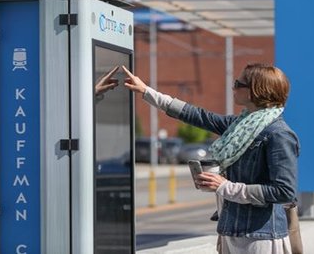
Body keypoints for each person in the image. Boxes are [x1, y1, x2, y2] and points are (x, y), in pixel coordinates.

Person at [122, 63, 299, 254]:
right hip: (231, 229)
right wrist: (146, 91)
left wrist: (225, 187)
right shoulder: (240, 125)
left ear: (255, 91)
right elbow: (198, 116)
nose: (233, 87)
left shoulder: (279, 135)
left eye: (238, 83)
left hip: (260, 236)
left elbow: (284, 191)